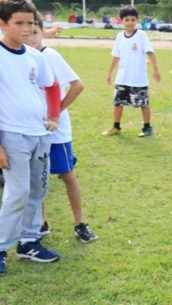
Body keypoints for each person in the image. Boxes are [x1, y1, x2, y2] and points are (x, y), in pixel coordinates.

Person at [0, 0, 63, 275]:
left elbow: (52, 86)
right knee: (18, 192)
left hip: (41, 135)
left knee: (39, 190)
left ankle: (29, 242)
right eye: (19, 23)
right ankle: (1, 246)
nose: (26, 28)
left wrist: (54, 117)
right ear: (3, 24)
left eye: (30, 23)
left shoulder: (35, 56)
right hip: (12, 136)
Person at [27, 14, 97, 243]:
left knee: (67, 176)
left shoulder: (50, 55)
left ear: (42, 32)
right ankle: (41, 223)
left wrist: (57, 112)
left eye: (35, 32)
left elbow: (78, 85)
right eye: (26, 33)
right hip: (32, 130)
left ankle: (80, 224)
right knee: (37, 178)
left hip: (56, 133)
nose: (31, 37)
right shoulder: (22, 57)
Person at [102, 6, 161, 138]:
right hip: (122, 78)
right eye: (126, 19)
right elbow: (115, 56)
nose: (130, 22)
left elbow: (150, 53)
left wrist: (156, 70)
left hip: (138, 78)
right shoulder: (119, 37)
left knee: (143, 104)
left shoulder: (141, 35)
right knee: (118, 103)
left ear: (137, 20)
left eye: (132, 19)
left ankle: (147, 127)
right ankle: (116, 127)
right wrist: (109, 73)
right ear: (121, 21)